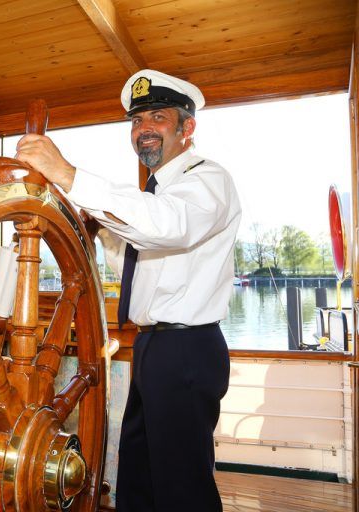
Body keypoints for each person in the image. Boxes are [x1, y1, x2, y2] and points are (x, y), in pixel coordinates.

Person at [15, 69, 241, 511]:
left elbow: (167, 227)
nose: (143, 130)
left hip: (188, 350)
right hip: (154, 348)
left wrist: (67, 174)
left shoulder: (208, 180)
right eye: (136, 121)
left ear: (187, 127)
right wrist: (101, 231)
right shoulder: (155, 195)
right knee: (140, 475)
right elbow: (142, 256)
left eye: (157, 117)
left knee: (182, 486)